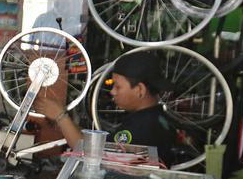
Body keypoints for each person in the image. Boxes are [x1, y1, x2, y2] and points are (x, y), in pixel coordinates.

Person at [35, 52, 176, 165]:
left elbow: (89, 152)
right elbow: (95, 144)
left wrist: (61, 116)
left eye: (118, 86)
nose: (112, 92)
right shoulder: (154, 118)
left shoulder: (143, 127)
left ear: (140, 89)